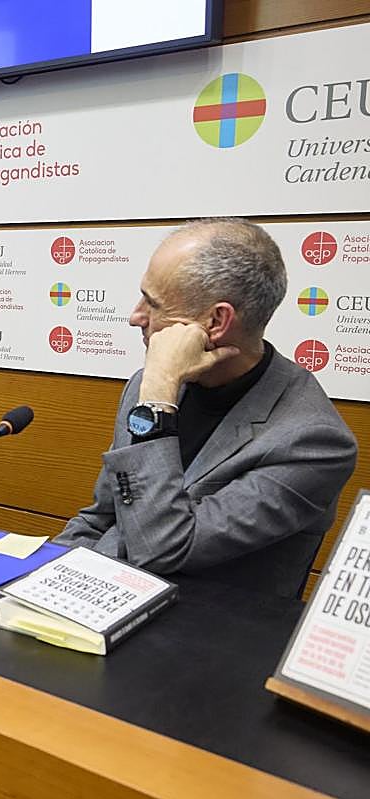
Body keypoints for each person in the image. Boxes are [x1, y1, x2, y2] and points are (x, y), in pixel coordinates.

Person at [55, 218, 357, 598]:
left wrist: (159, 401)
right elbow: (101, 516)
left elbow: (163, 549)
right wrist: (38, 576)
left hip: (203, 636)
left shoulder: (314, 443)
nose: (136, 316)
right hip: (97, 600)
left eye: (154, 303)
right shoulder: (147, 386)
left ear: (215, 322)